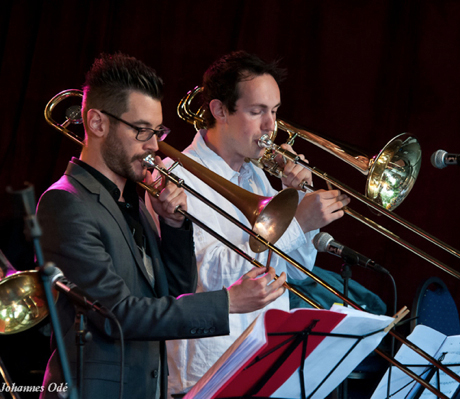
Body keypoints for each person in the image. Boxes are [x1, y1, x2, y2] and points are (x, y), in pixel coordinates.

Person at [36, 53, 286, 399]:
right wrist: (226, 302)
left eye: (157, 131)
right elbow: (118, 314)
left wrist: (173, 224)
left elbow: (176, 289)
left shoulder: (132, 201)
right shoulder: (65, 202)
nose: (154, 146)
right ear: (97, 124)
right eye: (141, 131)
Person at [152, 51, 350, 396]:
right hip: (206, 372)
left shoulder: (258, 177)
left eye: (274, 111)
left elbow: (297, 273)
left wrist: (300, 202)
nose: (270, 126)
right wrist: (297, 226)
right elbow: (204, 275)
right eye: (257, 111)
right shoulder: (177, 177)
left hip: (264, 364)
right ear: (219, 110)